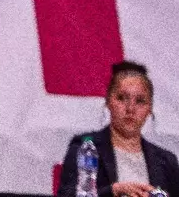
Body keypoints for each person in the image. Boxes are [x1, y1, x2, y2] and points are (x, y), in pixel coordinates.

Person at [57, 62, 179, 197]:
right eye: (121, 98)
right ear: (108, 101)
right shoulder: (86, 147)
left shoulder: (166, 161)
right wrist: (113, 191)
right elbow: (67, 194)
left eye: (140, 101)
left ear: (149, 108)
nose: (130, 109)